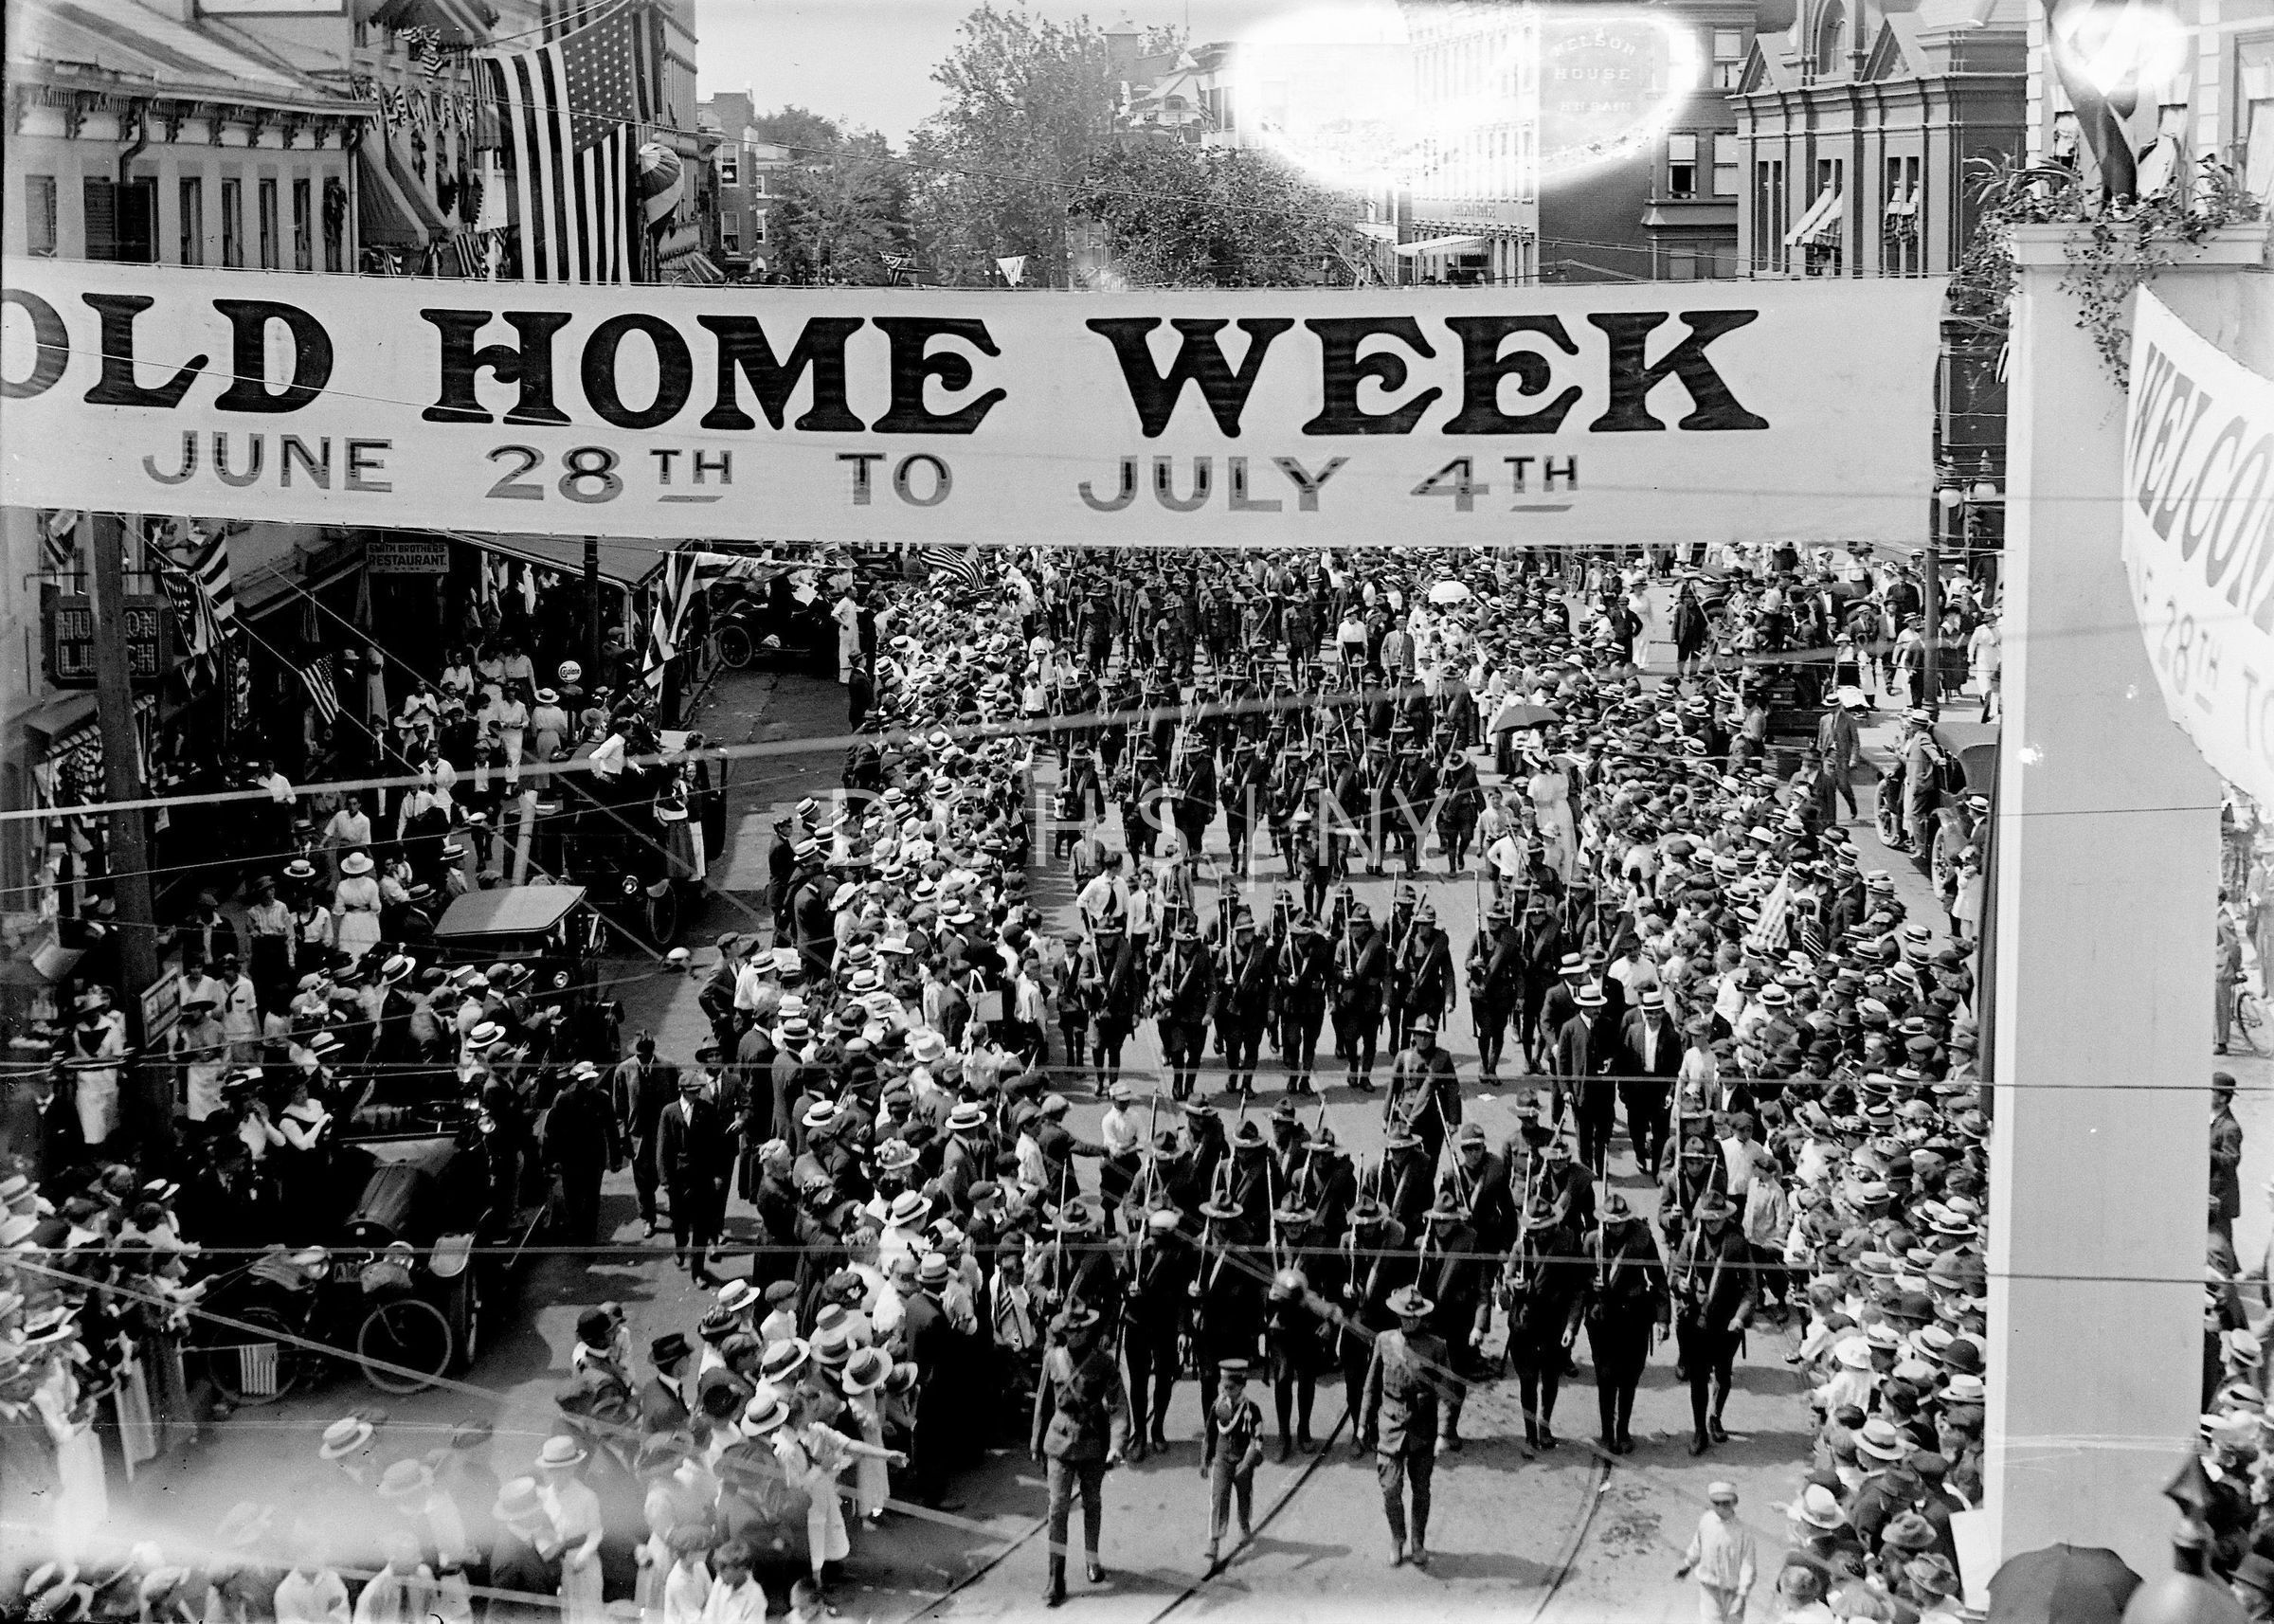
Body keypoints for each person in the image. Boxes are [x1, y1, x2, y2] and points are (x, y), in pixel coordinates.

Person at [1030, 1303, 1130, 1606]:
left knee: (1092, 1502)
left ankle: (1092, 1558)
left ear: (1089, 1330)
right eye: (1069, 1330)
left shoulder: (1103, 1363)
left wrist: (1117, 1444)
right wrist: (1035, 1441)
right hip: (1059, 1441)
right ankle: (1055, 1577)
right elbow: (1042, 1402)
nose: (1074, 1335)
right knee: (1057, 1508)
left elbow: (1118, 1405)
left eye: (1080, 1330)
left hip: (1092, 1442)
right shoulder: (1053, 1358)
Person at [1361, 1285, 1448, 1569]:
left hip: (1423, 1429)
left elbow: (1447, 1393)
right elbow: (1371, 1386)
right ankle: (1397, 1538)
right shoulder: (1384, 1341)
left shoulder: (1437, 1347)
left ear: (1421, 1317)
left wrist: (1443, 1433)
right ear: (1397, 1316)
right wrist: (1362, 1423)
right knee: (1390, 1489)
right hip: (1391, 1427)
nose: (1410, 1322)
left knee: (1421, 1490)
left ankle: (1418, 1542)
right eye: (1405, 1317)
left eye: (1415, 1317)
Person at [1203, 1358, 1266, 1575]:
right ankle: (1214, 1542)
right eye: (1223, 1387)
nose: (1225, 1391)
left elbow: (1257, 1438)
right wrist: (1204, 1460)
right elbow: (1210, 1434)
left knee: (1244, 1494)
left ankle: (1244, 1524)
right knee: (1218, 1498)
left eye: (1230, 1387)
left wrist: (1247, 1462)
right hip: (1222, 1460)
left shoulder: (1251, 1409)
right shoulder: (1218, 1406)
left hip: (1242, 1461)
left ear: (1241, 1386)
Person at [1673, 1481, 1758, 1623]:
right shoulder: (1706, 1521)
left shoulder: (1743, 1532)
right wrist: (1687, 1565)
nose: (1721, 1507)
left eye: (1725, 1503)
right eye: (1716, 1503)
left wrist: (1742, 1595)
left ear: (1734, 1502)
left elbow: (1748, 1565)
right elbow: (1697, 1546)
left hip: (1733, 1590)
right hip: (1709, 1586)